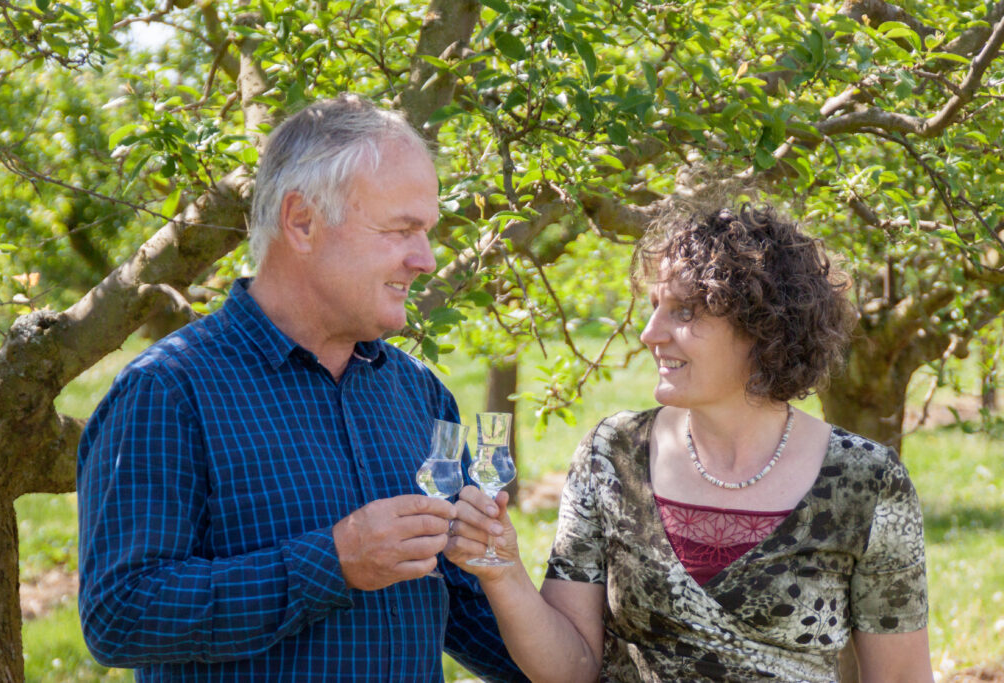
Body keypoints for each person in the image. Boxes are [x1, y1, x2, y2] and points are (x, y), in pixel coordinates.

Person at [77, 94, 525, 681]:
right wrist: (334, 561)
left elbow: (461, 609)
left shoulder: (420, 395)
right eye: (402, 229)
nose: (427, 258)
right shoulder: (170, 390)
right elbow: (119, 616)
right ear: (302, 221)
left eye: (428, 231)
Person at [446, 204, 933, 682]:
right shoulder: (612, 454)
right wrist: (503, 571)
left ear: (762, 325)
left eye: (684, 311)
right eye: (655, 306)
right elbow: (569, 670)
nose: (648, 333)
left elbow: (903, 676)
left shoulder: (866, 480)